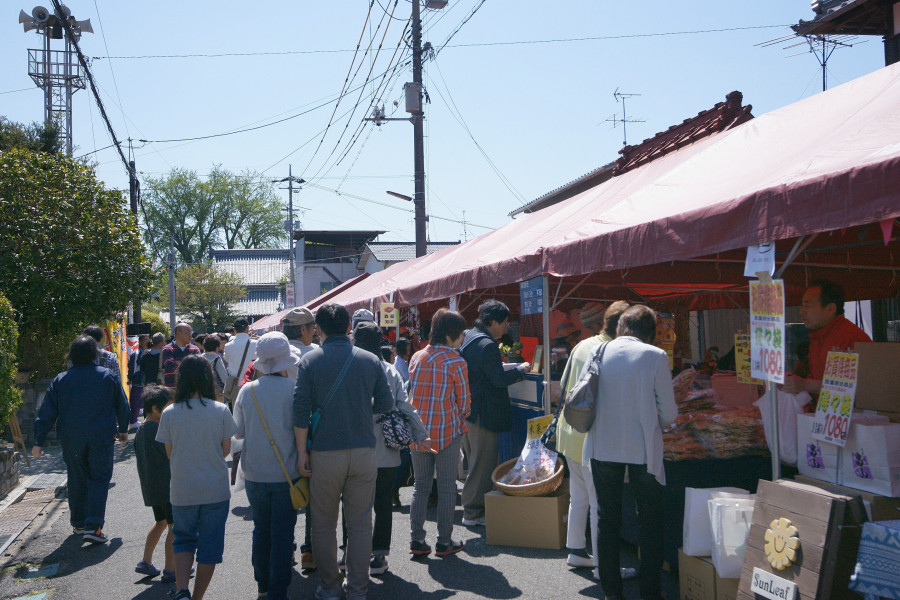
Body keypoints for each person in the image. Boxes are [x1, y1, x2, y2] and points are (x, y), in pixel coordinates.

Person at [293, 303, 393, 600]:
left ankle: (331, 587)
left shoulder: (310, 362)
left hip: (325, 453)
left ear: (319, 329)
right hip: (363, 451)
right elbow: (386, 405)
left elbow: (300, 412)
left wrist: (301, 453)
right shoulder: (370, 360)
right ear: (350, 327)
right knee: (360, 524)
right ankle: (358, 589)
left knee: (323, 525)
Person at [584, 305, 678, 600]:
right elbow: (670, 412)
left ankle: (613, 592)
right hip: (643, 450)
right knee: (650, 521)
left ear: (621, 327)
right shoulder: (655, 356)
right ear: (650, 333)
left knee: (607, 520)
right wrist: (652, 419)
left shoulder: (598, 352)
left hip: (603, 445)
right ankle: (650, 592)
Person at [555, 301, 631, 579]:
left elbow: (564, 387)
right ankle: (604, 567)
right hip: (592, 436)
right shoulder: (613, 351)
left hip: (570, 432)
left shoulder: (581, 346)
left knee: (579, 497)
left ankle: (576, 550)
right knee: (600, 504)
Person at [350, 321, 431, 575]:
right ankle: (378, 557)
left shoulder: (346, 367)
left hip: (352, 448)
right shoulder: (389, 370)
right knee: (382, 503)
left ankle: (349, 554)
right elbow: (405, 406)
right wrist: (420, 434)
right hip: (385, 447)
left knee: (352, 504)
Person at [32, 335, 130, 544]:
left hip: (71, 437)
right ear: (95, 354)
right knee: (99, 478)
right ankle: (94, 527)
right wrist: (123, 429)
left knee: (76, 478)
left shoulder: (61, 379)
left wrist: (38, 441)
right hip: (101, 436)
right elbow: (122, 405)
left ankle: (78, 523)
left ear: (72, 355)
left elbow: (47, 411)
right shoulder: (108, 376)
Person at [156, 355, 236, 600]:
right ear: (207, 379)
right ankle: (197, 597)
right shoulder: (220, 410)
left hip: (182, 489)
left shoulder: (169, 413)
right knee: (209, 548)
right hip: (215, 489)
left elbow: (169, 453)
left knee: (183, 540)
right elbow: (226, 450)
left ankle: (182, 591)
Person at [233, 332, 303, 600]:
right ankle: (278, 589)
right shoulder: (295, 389)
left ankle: (262, 584)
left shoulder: (247, 391)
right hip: (288, 473)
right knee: (284, 532)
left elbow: (237, 433)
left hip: (255, 473)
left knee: (261, 528)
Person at [459, 300, 530, 527]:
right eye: (505, 322)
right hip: (484, 412)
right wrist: (519, 371)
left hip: (470, 410)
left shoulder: (469, 336)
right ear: (494, 322)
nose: (507, 327)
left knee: (475, 462)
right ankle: (472, 512)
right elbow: (498, 380)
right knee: (483, 464)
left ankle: (474, 508)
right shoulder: (488, 345)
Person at [407, 308, 471, 557]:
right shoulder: (456, 360)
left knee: (420, 486)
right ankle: (444, 541)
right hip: (447, 431)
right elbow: (464, 403)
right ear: (451, 335)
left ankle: (416, 540)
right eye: (461, 333)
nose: (463, 337)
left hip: (419, 432)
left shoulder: (417, 357)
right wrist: (458, 414)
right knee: (446, 488)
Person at [782, 279, 871, 396]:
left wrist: (805, 384)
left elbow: (849, 388)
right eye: (802, 305)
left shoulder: (849, 337)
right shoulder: (817, 338)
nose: (801, 311)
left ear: (830, 309)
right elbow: (814, 379)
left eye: (808, 306)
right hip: (822, 411)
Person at [134, 385, 176, 581]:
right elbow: (171, 456)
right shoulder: (159, 430)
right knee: (174, 527)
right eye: (167, 408)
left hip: (152, 488)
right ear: (154, 410)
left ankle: (145, 561)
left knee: (160, 523)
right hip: (167, 487)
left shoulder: (142, 429)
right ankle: (171, 569)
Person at [162, 323, 202, 389]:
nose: (190, 335)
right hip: (173, 389)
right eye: (187, 332)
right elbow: (171, 367)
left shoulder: (195, 349)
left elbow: (198, 367)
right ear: (178, 333)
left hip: (191, 389)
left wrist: (179, 364)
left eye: (191, 332)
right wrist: (190, 367)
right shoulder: (168, 349)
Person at [127, 333, 150, 431]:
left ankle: (135, 420)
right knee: (136, 400)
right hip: (138, 379)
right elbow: (133, 368)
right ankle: (133, 421)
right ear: (140, 342)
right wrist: (131, 378)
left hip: (143, 379)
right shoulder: (137, 353)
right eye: (145, 340)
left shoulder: (145, 352)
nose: (147, 341)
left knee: (140, 400)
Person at [224, 317, 258, 382]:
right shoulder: (256, 344)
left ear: (234, 330)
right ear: (248, 328)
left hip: (234, 383)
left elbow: (226, 359)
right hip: (250, 381)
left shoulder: (227, 346)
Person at [202, 336, 229, 401]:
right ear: (217, 347)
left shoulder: (200, 357)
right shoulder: (217, 359)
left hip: (202, 389)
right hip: (216, 390)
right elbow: (224, 377)